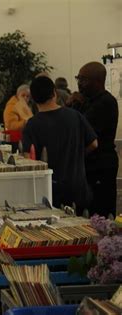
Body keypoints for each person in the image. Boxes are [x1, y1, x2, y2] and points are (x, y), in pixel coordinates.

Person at [22, 76, 98, 212]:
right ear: (54, 93)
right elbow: (94, 144)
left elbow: (28, 159)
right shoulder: (75, 116)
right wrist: (78, 154)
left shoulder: (32, 125)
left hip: (49, 191)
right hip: (78, 188)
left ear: (33, 98)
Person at [75, 62, 119, 218]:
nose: (79, 84)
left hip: (101, 164)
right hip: (89, 164)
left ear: (98, 81)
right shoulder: (86, 101)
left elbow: (82, 129)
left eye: (83, 79)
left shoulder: (106, 102)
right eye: (78, 79)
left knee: (101, 211)